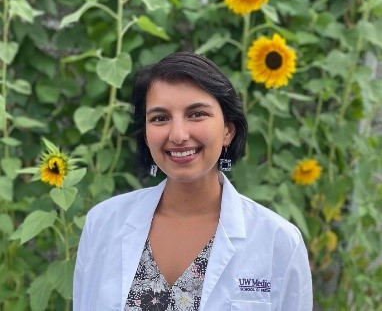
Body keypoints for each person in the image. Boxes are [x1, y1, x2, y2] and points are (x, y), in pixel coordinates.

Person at [73, 51, 313, 311]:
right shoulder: (103, 224)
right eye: (160, 118)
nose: (178, 135)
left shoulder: (279, 241)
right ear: (145, 134)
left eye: (197, 114)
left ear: (227, 131)